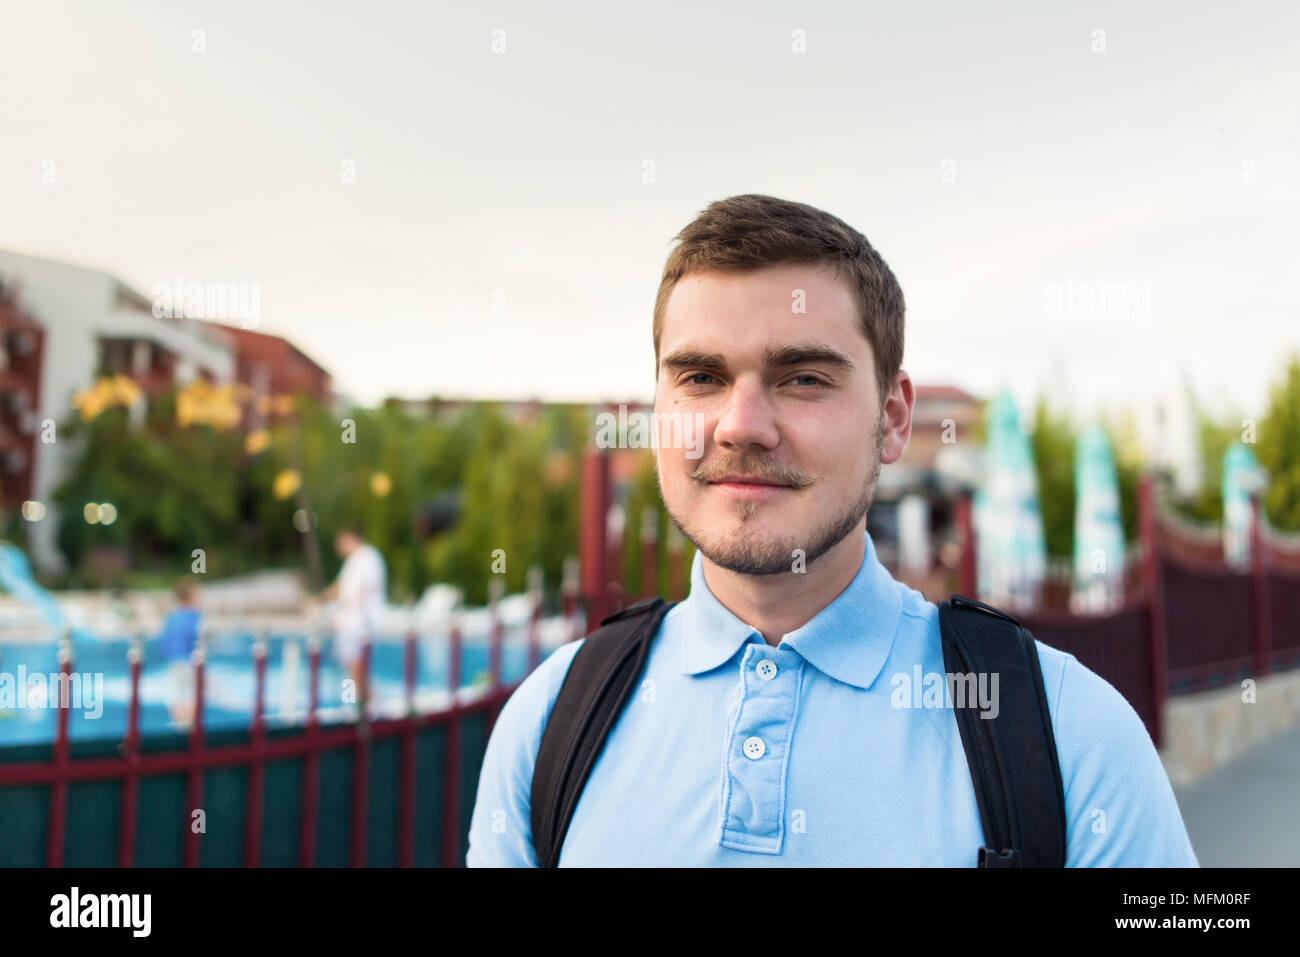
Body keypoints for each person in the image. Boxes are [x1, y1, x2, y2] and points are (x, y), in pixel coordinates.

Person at [467, 193, 1199, 867]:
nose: (741, 426)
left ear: (893, 417)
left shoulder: (1069, 734)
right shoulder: (549, 723)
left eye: (804, 378)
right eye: (699, 377)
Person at [317, 526, 386, 713]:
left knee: (356, 666)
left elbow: (358, 591)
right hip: (350, 623)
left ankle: (364, 705)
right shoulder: (354, 561)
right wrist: (320, 600)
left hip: (359, 624)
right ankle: (355, 703)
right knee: (350, 667)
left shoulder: (367, 558)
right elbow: (341, 588)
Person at [158, 577, 201, 729]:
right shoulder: (194, 615)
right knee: (191, 696)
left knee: (177, 696)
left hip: (173, 662)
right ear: (190, 596)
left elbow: (165, 642)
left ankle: (178, 726)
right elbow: (198, 637)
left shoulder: (171, 616)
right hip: (189, 661)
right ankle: (190, 729)